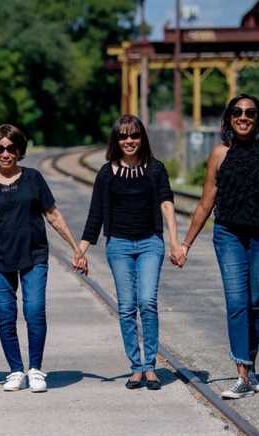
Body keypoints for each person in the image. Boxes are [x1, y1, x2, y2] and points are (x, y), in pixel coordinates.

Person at [175, 94, 259, 399]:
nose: (243, 117)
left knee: (255, 302)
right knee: (237, 302)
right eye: (237, 112)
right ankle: (242, 375)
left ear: (258, 118)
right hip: (228, 235)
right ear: (229, 118)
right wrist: (185, 244)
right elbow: (206, 202)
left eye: (250, 112)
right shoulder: (220, 154)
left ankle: (251, 366)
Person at [0, 124, 87, 393]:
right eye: (0, 149)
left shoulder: (33, 178)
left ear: (19, 150)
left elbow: (53, 216)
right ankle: (15, 370)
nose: (6, 153)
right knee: (5, 316)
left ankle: (35, 369)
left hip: (34, 255)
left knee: (34, 311)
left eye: (11, 148)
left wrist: (75, 248)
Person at [77, 114, 181, 390]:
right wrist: (81, 250)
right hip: (119, 246)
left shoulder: (156, 169)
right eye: (123, 136)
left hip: (150, 243)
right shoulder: (106, 173)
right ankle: (136, 367)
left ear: (142, 137)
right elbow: (95, 215)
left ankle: (150, 367)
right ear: (116, 140)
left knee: (147, 302)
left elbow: (167, 204)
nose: (129, 140)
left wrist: (174, 242)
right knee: (126, 308)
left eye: (134, 135)